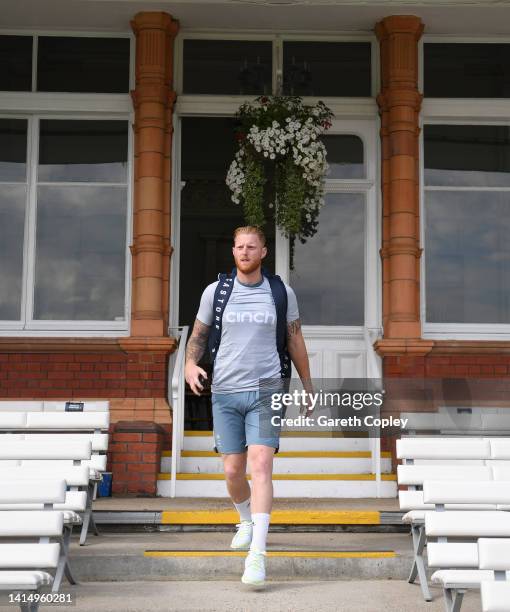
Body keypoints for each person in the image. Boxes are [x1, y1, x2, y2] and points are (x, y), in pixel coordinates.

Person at [184, 225, 312, 587]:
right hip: (225, 391)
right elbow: (198, 336)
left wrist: (307, 386)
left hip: (268, 389)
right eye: (239, 246)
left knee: (261, 464)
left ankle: (257, 553)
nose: (244, 252)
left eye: (251, 247)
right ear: (234, 252)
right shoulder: (216, 292)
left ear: (263, 252)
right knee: (232, 471)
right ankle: (245, 519)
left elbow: (295, 340)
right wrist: (190, 364)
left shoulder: (280, 292)